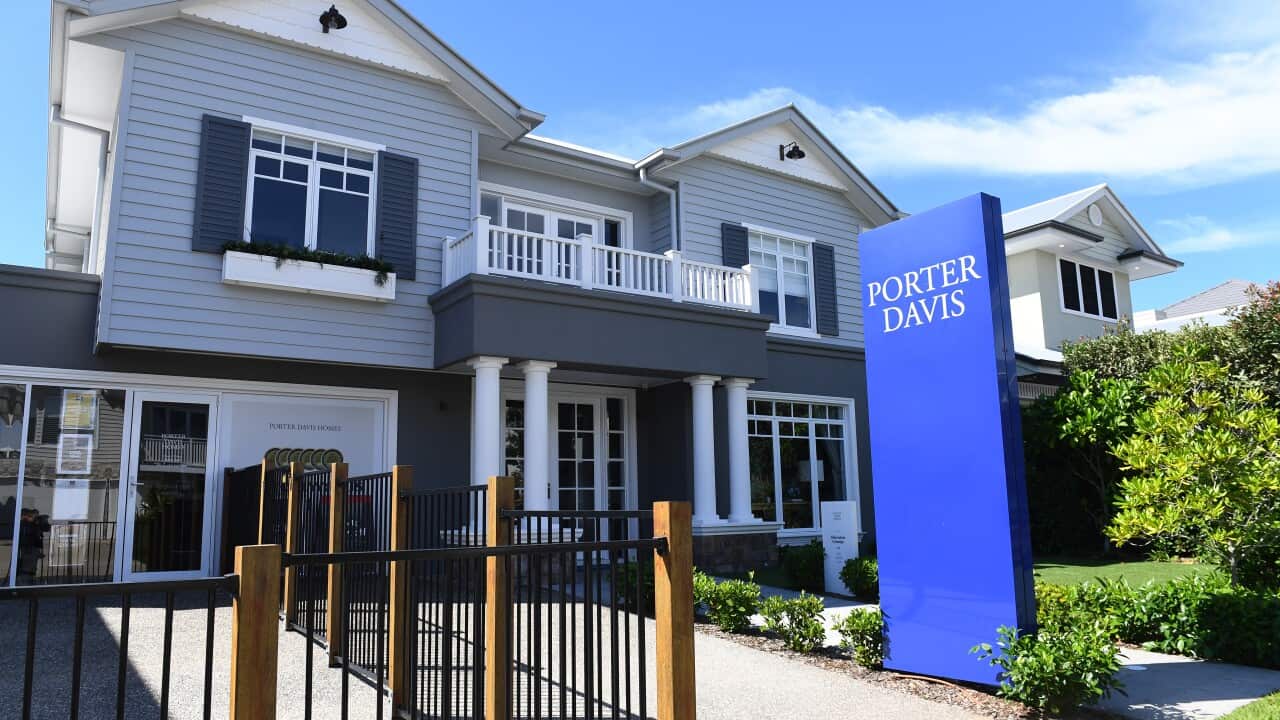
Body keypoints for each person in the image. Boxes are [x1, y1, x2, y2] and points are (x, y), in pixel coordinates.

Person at [16, 507, 50, 583]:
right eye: (32, 516)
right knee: (27, 567)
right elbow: (27, 534)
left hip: (34, 547)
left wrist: (43, 521)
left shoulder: (34, 524)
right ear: (26, 516)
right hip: (28, 548)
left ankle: (31, 579)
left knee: (32, 566)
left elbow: (46, 528)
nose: (34, 518)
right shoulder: (24, 524)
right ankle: (26, 581)